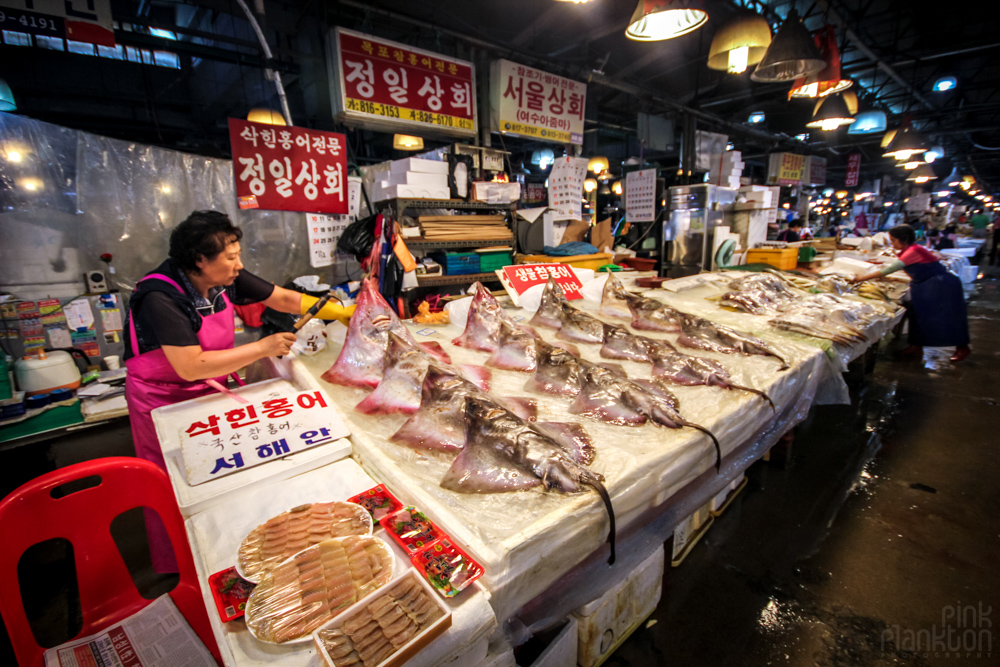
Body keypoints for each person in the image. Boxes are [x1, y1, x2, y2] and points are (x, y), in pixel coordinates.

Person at [124, 210, 354, 572]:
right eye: (231, 257)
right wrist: (264, 347)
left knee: (225, 473)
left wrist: (340, 311)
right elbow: (190, 366)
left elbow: (281, 299)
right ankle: (183, 566)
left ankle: (231, 558)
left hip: (212, 387)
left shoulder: (223, 276)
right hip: (163, 401)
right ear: (200, 260)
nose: (238, 264)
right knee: (181, 487)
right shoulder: (160, 295)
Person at [851, 224, 970, 363]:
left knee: (948, 317)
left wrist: (860, 278)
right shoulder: (911, 250)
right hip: (924, 286)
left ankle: (962, 348)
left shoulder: (913, 251)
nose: (892, 243)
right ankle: (915, 346)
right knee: (918, 316)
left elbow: (888, 269)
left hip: (940, 286)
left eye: (894, 240)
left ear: (904, 239)